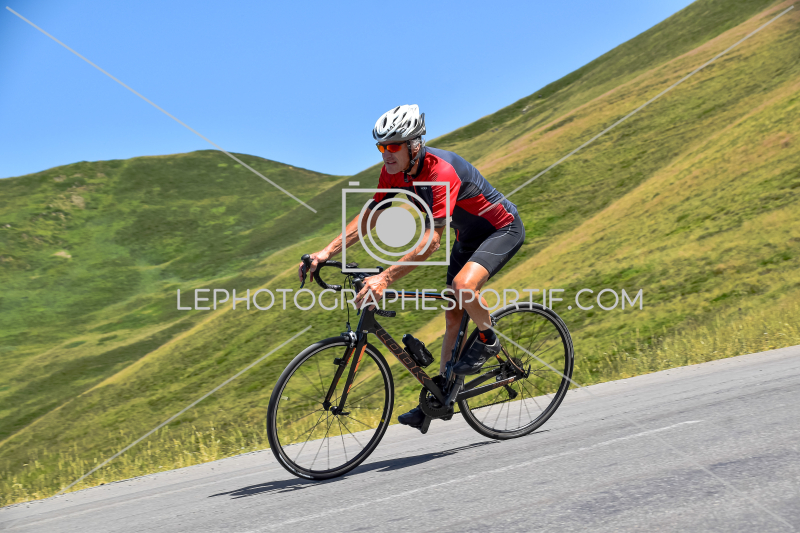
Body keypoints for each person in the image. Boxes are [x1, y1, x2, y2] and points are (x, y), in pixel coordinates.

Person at [299, 104, 525, 430]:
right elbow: (371, 216)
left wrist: (385, 277)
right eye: (381, 147)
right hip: (467, 237)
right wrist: (325, 252)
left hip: (502, 229)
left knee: (463, 287)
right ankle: (442, 396)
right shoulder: (395, 172)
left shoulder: (440, 172)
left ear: (414, 144)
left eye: (393, 146)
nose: (386, 154)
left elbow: (432, 241)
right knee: (453, 313)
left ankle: (489, 340)